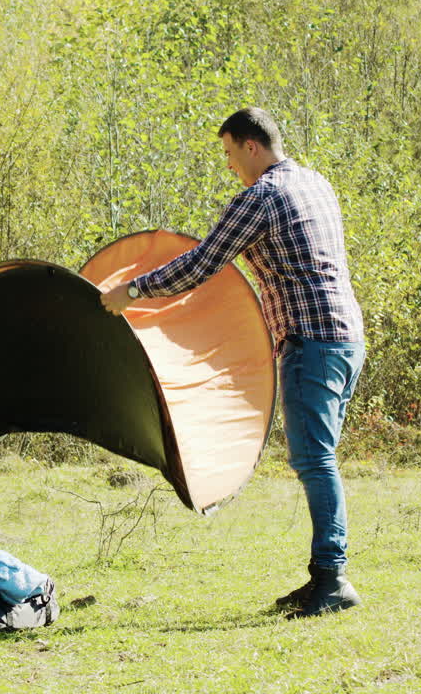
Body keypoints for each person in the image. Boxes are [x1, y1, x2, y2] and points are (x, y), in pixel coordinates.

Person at [99, 107, 366, 618]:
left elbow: (202, 264)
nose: (228, 166)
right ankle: (322, 579)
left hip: (312, 340)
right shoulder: (315, 183)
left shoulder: (262, 197)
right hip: (346, 337)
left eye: (228, 153)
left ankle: (332, 579)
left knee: (315, 460)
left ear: (251, 147)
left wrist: (133, 290)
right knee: (318, 456)